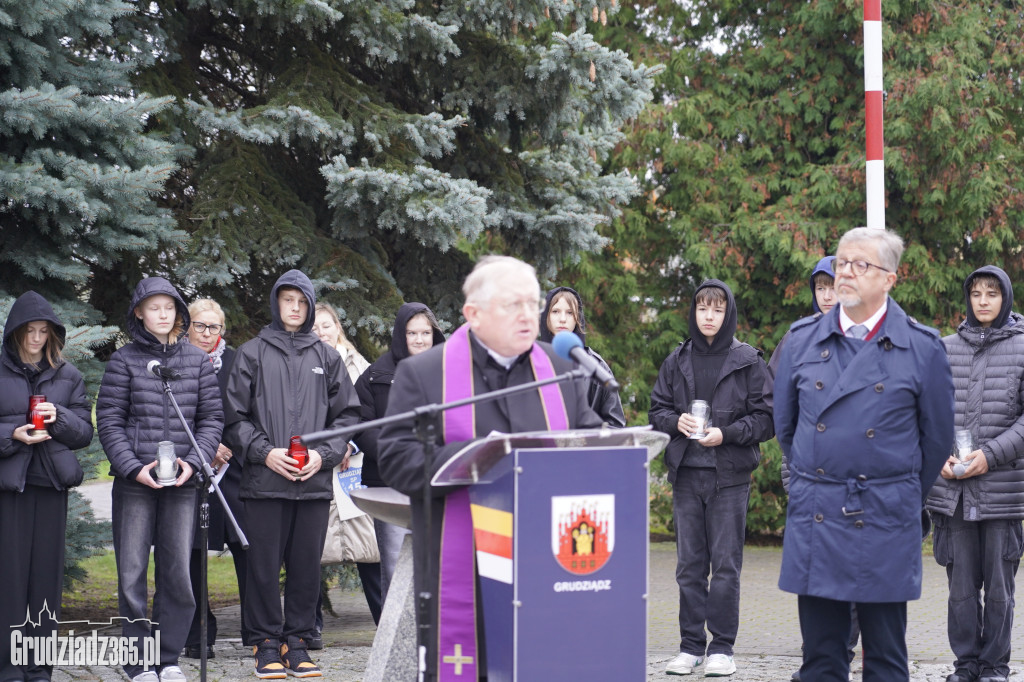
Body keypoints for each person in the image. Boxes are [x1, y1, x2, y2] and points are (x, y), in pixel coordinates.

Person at [377, 255, 603, 681]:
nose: (527, 316)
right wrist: (473, 460)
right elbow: (395, 459)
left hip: (548, 567)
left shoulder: (560, 372)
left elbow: (589, 444)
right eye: (511, 304)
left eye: (531, 303)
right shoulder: (424, 374)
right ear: (473, 314)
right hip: (466, 573)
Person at [773, 227, 954, 682]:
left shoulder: (923, 347)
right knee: (819, 660)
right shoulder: (800, 341)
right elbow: (787, 429)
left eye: (860, 265)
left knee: (888, 659)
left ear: (889, 279)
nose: (845, 273)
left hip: (885, 517)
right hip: (818, 513)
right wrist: (823, 475)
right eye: (841, 263)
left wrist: (893, 487)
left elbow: (935, 442)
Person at [224, 270, 360, 680]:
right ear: (276, 303)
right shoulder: (251, 353)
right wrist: (266, 454)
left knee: (305, 566)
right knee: (263, 566)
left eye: (302, 302)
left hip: (313, 482)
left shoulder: (327, 357)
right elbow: (234, 418)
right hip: (266, 481)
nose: (295, 308)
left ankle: (298, 641)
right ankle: (266, 643)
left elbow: (348, 416)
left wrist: (324, 454)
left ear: (311, 306)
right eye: (288, 300)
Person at [97, 278, 224, 682]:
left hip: (183, 483)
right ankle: (137, 661)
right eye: (154, 307)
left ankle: (168, 657)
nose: (163, 314)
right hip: (136, 483)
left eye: (169, 307)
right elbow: (110, 422)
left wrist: (195, 461)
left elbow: (211, 419)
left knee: (176, 573)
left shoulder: (197, 362)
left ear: (178, 313)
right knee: (132, 573)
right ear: (139, 312)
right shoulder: (123, 361)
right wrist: (134, 467)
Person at [648, 279, 774, 677]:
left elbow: (767, 419)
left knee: (724, 566)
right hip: (687, 473)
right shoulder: (676, 359)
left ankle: (722, 647)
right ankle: (690, 647)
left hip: (729, 477)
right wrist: (676, 420)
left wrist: (728, 433)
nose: (709, 316)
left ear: (727, 313)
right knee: (688, 566)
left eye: (717, 309)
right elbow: (657, 410)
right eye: (703, 308)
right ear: (694, 311)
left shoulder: (748, 361)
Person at [925, 265, 1024, 682]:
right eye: (977, 294)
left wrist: (991, 455)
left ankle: (994, 667)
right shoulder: (943, 348)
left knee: (999, 590)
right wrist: (939, 455)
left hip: (1002, 490)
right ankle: (965, 666)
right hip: (953, 492)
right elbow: (926, 415)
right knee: (960, 590)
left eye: (992, 293)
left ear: (1006, 298)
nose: (983, 301)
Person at [0, 292, 94, 682]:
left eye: (43, 331)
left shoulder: (68, 375)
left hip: (51, 487)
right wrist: (13, 434)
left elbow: (85, 432)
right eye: (29, 331)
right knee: (9, 579)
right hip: (10, 489)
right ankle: (7, 669)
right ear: (15, 332)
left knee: (45, 583)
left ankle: (39, 669)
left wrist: (59, 419)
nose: (36, 339)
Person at [353, 302, 445, 606]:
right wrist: (398, 457)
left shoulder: (451, 369)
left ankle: (437, 634)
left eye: (425, 333)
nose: (419, 339)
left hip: (441, 482)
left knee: (442, 562)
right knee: (393, 566)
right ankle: (398, 640)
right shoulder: (376, 375)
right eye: (412, 333)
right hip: (390, 481)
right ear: (400, 335)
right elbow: (362, 425)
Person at [183, 298, 250, 660]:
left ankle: (256, 631)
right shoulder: (173, 360)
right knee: (191, 550)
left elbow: (252, 411)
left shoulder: (239, 361)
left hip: (234, 467)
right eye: (200, 325)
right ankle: (198, 632)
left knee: (247, 545)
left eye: (215, 327)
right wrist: (203, 449)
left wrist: (227, 446)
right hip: (191, 466)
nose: (208, 334)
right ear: (186, 326)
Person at [311, 301, 381, 638]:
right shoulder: (304, 364)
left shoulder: (361, 366)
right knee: (309, 551)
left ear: (337, 327)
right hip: (317, 467)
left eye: (326, 325)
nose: (321, 333)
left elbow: (369, 415)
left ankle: (387, 624)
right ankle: (308, 630)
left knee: (371, 551)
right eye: (314, 328)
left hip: (353, 470)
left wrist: (350, 445)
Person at [539, 286, 626, 427]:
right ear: (545, 316)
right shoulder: (529, 362)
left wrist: (584, 437)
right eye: (555, 311)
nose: (562, 319)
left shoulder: (594, 365)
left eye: (569, 313)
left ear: (577, 318)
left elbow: (615, 425)